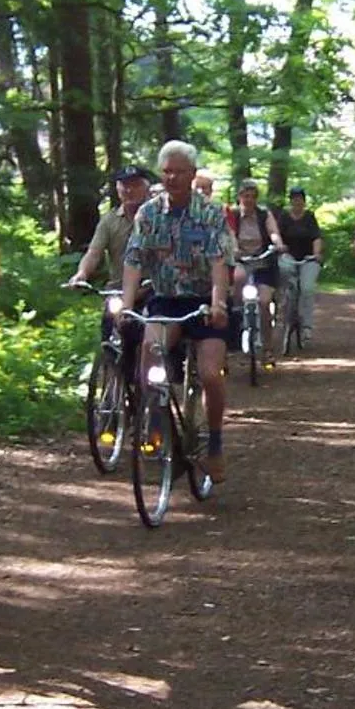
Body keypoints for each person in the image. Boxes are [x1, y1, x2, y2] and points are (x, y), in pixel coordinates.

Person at [121, 140, 233, 479]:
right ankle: (157, 423)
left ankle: (214, 443)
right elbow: (134, 260)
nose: (172, 177)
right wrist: (126, 305)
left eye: (179, 171)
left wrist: (218, 303)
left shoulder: (210, 213)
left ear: (192, 174)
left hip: (202, 300)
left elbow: (219, 263)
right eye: (167, 171)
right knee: (149, 354)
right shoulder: (149, 213)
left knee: (211, 373)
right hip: (166, 298)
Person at [66, 166, 154, 385]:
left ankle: (153, 387)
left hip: (152, 289)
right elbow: (94, 252)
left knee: (150, 339)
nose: (129, 190)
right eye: (124, 185)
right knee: (110, 331)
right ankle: (112, 384)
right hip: (118, 290)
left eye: (135, 184)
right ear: (117, 188)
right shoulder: (109, 221)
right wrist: (82, 274)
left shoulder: (157, 217)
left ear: (146, 187)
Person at [229, 180, 287, 366]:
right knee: (238, 278)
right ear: (239, 197)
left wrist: (277, 244)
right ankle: (237, 313)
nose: (249, 200)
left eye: (253, 196)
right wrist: (234, 248)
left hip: (263, 261)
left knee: (264, 303)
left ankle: (268, 349)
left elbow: (273, 232)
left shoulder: (264, 215)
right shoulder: (233, 215)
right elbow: (229, 234)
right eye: (246, 196)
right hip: (241, 261)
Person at [273, 187, 322, 349]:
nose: (297, 201)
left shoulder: (309, 217)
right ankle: (284, 311)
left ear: (304, 200)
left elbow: (316, 237)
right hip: (289, 257)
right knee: (286, 279)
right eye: (294, 198)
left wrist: (316, 254)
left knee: (307, 288)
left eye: (300, 198)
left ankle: (307, 327)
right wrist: (279, 247)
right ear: (290, 200)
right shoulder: (284, 217)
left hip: (308, 259)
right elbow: (277, 235)